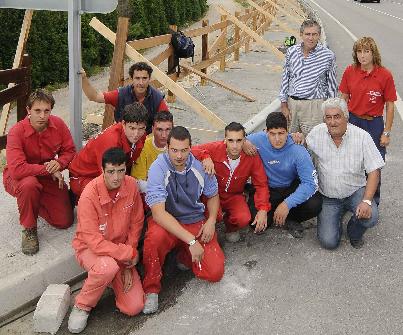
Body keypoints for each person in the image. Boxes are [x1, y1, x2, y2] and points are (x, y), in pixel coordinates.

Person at [142, 126, 225, 314]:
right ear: (167, 148)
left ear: (190, 148)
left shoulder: (201, 165)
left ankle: (182, 254)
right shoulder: (158, 168)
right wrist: (192, 240)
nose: (179, 156)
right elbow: (158, 214)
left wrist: (211, 220)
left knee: (215, 272)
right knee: (154, 238)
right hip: (167, 220)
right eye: (174, 150)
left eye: (184, 150)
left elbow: (212, 195)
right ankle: (151, 288)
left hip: (194, 218)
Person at [68, 147, 145, 334]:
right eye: (111, 171)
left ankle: (111, 277)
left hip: (120, 251)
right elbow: (94, 242)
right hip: (90, 250)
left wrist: (128, 263)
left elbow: (136, 223)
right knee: (107, 267)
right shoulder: (88, 195)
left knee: (134, 307)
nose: (117, 177)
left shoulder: (131, 185)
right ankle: (82, 305)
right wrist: (128, 254)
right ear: (102, 170)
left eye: (121, 171)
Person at [3, 89, 76, 255]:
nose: (42, 115)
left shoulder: (58, 125)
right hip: (19, 177)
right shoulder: (16, 131)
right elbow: (17, 169)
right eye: (37, 110)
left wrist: (58, 163)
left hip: (46, 175)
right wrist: (49, 170)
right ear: (28, 110)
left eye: (46, 110)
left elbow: (70, 151)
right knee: (29, 185)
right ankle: (29, 228)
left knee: (64, 221)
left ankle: (35, 202)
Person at [306, 98, 385, 249]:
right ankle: (337, 215)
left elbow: (374, 170)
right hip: (328, 196)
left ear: (346, 117)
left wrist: (366, 201)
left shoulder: (362, 136)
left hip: (355, 192)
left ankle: (353, 231)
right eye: (328, 117)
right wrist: (297, 138)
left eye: (337, 116)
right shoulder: (317, 133)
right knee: (328, 242)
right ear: (324, 119)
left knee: (371, 217)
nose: (332, 122)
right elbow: (302, 151)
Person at [244, 112, 322, 238]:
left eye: (281, 133)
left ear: (287, 132)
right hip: (266, 188)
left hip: (290, 186)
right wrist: (244, 142)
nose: (277, 139)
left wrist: (287, 204)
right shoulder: (257, 139)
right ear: (266, 132)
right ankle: (272, 214)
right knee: (254, 223)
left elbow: (310, 183)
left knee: (315, 204)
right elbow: (232, 140)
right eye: (272, 134)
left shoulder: (298, 149)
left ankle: (290, 217)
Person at [191, 122, 270, 243]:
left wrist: (263, 209)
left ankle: (230, 227)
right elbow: (192, 149)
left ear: (244, 141)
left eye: (239, 141)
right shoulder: (215, 148)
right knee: (214, 215)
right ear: (224, 140)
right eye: (231, 140)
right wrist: (205, 156)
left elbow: (261, 184)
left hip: (235, 195)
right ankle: (211, 226)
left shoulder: (252, 157)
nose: (234, 146)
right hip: (213, 194)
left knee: (243, 218)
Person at [339, 36, 396, 203]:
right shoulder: (350, 71)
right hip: (353, 121)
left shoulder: (384, 75)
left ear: (373, 53)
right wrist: (340, 122)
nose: (362, 55)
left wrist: (386, 132)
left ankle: (373, 201)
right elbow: (343, 98)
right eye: (359, 51)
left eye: (366, 51)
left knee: (374, 163)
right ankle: (349, 199)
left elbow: (390, 106)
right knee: (351, 161)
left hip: (374, 123)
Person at [69, 102, 147, 199]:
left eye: (141, 128)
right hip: (82, 178)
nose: (136, 134)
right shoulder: (111, 141)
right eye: (132, 128)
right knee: (115, 198)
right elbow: (109, 178)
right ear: (123, 124)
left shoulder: (142, 136)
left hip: (109, 174)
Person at [279, 19, 337, 137]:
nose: (311, 38)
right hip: (292, 105)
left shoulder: (328, 56)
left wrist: (330, 112)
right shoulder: (291, 52)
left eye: (314, 34)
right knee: (291, 141)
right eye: (307, 34)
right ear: (301, 35)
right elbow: (286, 78)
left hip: (314, 107)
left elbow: (332, 86)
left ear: (319, 35)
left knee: (313, 142)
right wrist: (284, 105)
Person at [80, 62, 169, 133]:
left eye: (144, 78)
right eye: (137, 78)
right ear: (131, 79)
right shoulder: (121, 94)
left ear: (149, 79)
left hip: (146, 139)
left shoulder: (157, 98)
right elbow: (94, 96)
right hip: (123, 137)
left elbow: (167, 123)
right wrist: (83, 78)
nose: (141, 82)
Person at [131, 111, 173, 195]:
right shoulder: (143, 146)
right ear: (153, 129)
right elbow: (138, 183)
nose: (164, 135)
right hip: (150, 196)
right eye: (159, 130)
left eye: (168, 130)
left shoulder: (177, 146)